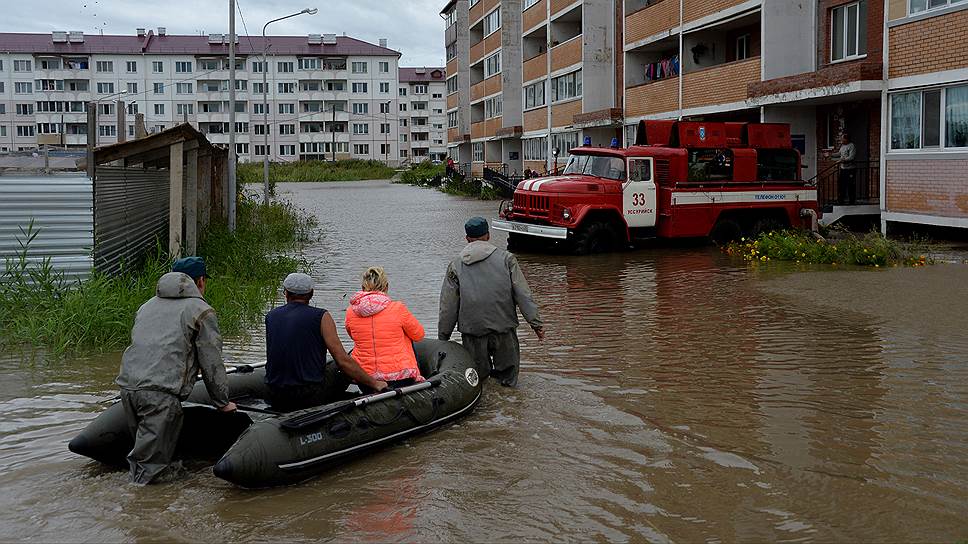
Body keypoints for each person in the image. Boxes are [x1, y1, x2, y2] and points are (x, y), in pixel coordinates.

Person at [116, 256, 237, 485]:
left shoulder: (147, 306)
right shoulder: (200, 310)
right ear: (200, 281)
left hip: (128, 388)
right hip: (160, 395)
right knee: (149, 473)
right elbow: (211, 362)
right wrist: (222, 402)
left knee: (144, 459)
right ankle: (139, 513)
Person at [438, 217, 544, 387]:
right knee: (508, 380)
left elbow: (448, 306)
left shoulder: (456, 265)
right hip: (504, 327)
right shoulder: (507, 259)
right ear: (488, 235)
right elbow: (523, 294)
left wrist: (443, 336)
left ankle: (488, 411)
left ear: (467, 238)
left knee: (479, 380)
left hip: (472, 331)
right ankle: (509, 409)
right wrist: (536, 324)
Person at [265, 273, 387, 412]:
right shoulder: (321, 316)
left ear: (285, 293)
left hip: (274, 392)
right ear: (311, 294)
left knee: (331, 364)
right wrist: (374, 383)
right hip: (309, 394)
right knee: (343, 365)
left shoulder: (271, 316)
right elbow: (342, 360)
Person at [345, 267, 426, 392]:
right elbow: (419, 335)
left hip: (366, 378)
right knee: (406, 335)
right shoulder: (398, 308)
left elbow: (352, 335)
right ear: (386, 287)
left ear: (362, 287)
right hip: (400, 377)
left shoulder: (351, 312)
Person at [835, 133, 857, 205]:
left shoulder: (851, 146)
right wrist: (831, 154)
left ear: (846, 139)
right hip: (843, 168)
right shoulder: (842, 146)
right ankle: (841, 200)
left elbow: (851, 157)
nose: (841, 140)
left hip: (850, 169)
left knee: (850, 185)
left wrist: (842, 160)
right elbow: (839, 153)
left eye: (842, 138)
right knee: (841, 185)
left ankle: (852, 201)